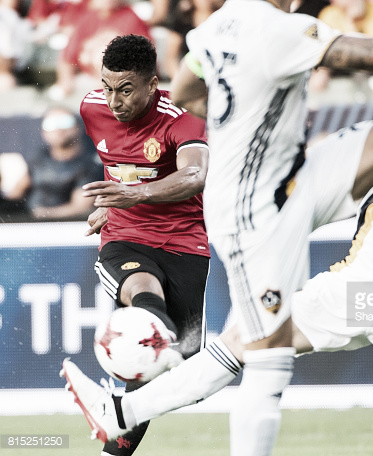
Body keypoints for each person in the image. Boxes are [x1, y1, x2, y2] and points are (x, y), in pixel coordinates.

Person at [61, 1, 373, 454]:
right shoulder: (280, 30)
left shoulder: (220, 26)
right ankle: (121, 413)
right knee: (256, 353)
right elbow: (369, 56)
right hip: (336, 267)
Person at [76, 34, 211, 456]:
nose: (114, 101)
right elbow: (120, 165)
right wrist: (113, 203)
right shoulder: (91, 107)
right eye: (107, 86)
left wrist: (136, 194)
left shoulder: (182, 117)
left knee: (175, 375)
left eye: (126, 89)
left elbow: (194, 176)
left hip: (185, 244)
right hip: (125, 239)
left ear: (153, 84)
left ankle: (116, 414)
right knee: (144, 303)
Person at [5, 106, 103, 221]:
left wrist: (42, 214)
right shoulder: (39, 159)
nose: (58, 129)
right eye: (50, 124)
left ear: (78, 127)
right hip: (28, 225)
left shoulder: (90, 166)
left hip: (66, 228)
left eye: (65, 122)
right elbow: (16, 193)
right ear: (43, 132)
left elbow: (81, 208)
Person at [48, 0, 152, 101]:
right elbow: (67, 58)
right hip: (88, 80)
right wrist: (66, 81)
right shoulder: (87, 19)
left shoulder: (132, 19)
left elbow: (144, 63)